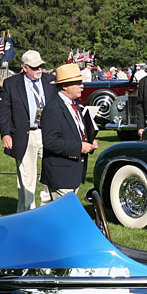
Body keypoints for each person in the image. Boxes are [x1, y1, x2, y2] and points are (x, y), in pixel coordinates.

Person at [0, 49, 57, 212]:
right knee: (26, 176)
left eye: (41, 66)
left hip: (48, 133)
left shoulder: (51, 81)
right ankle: (27, 212)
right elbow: (4, 111)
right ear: (24, 67)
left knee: (51, 171)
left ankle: (47, 209)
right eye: (35, 67)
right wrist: (6, 134)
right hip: (25, 134)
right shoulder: (11, 84)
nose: (39, 69)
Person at [40, 64, 98, 201]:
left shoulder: (75, 105)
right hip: (60, 174)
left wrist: (89, 142)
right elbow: (50, 142)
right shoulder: (53, 108)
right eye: (78, 83)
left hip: (73, 172)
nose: (82, 86)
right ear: (65, 86)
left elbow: (76, 131)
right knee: (63, 218)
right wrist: (79, 147)